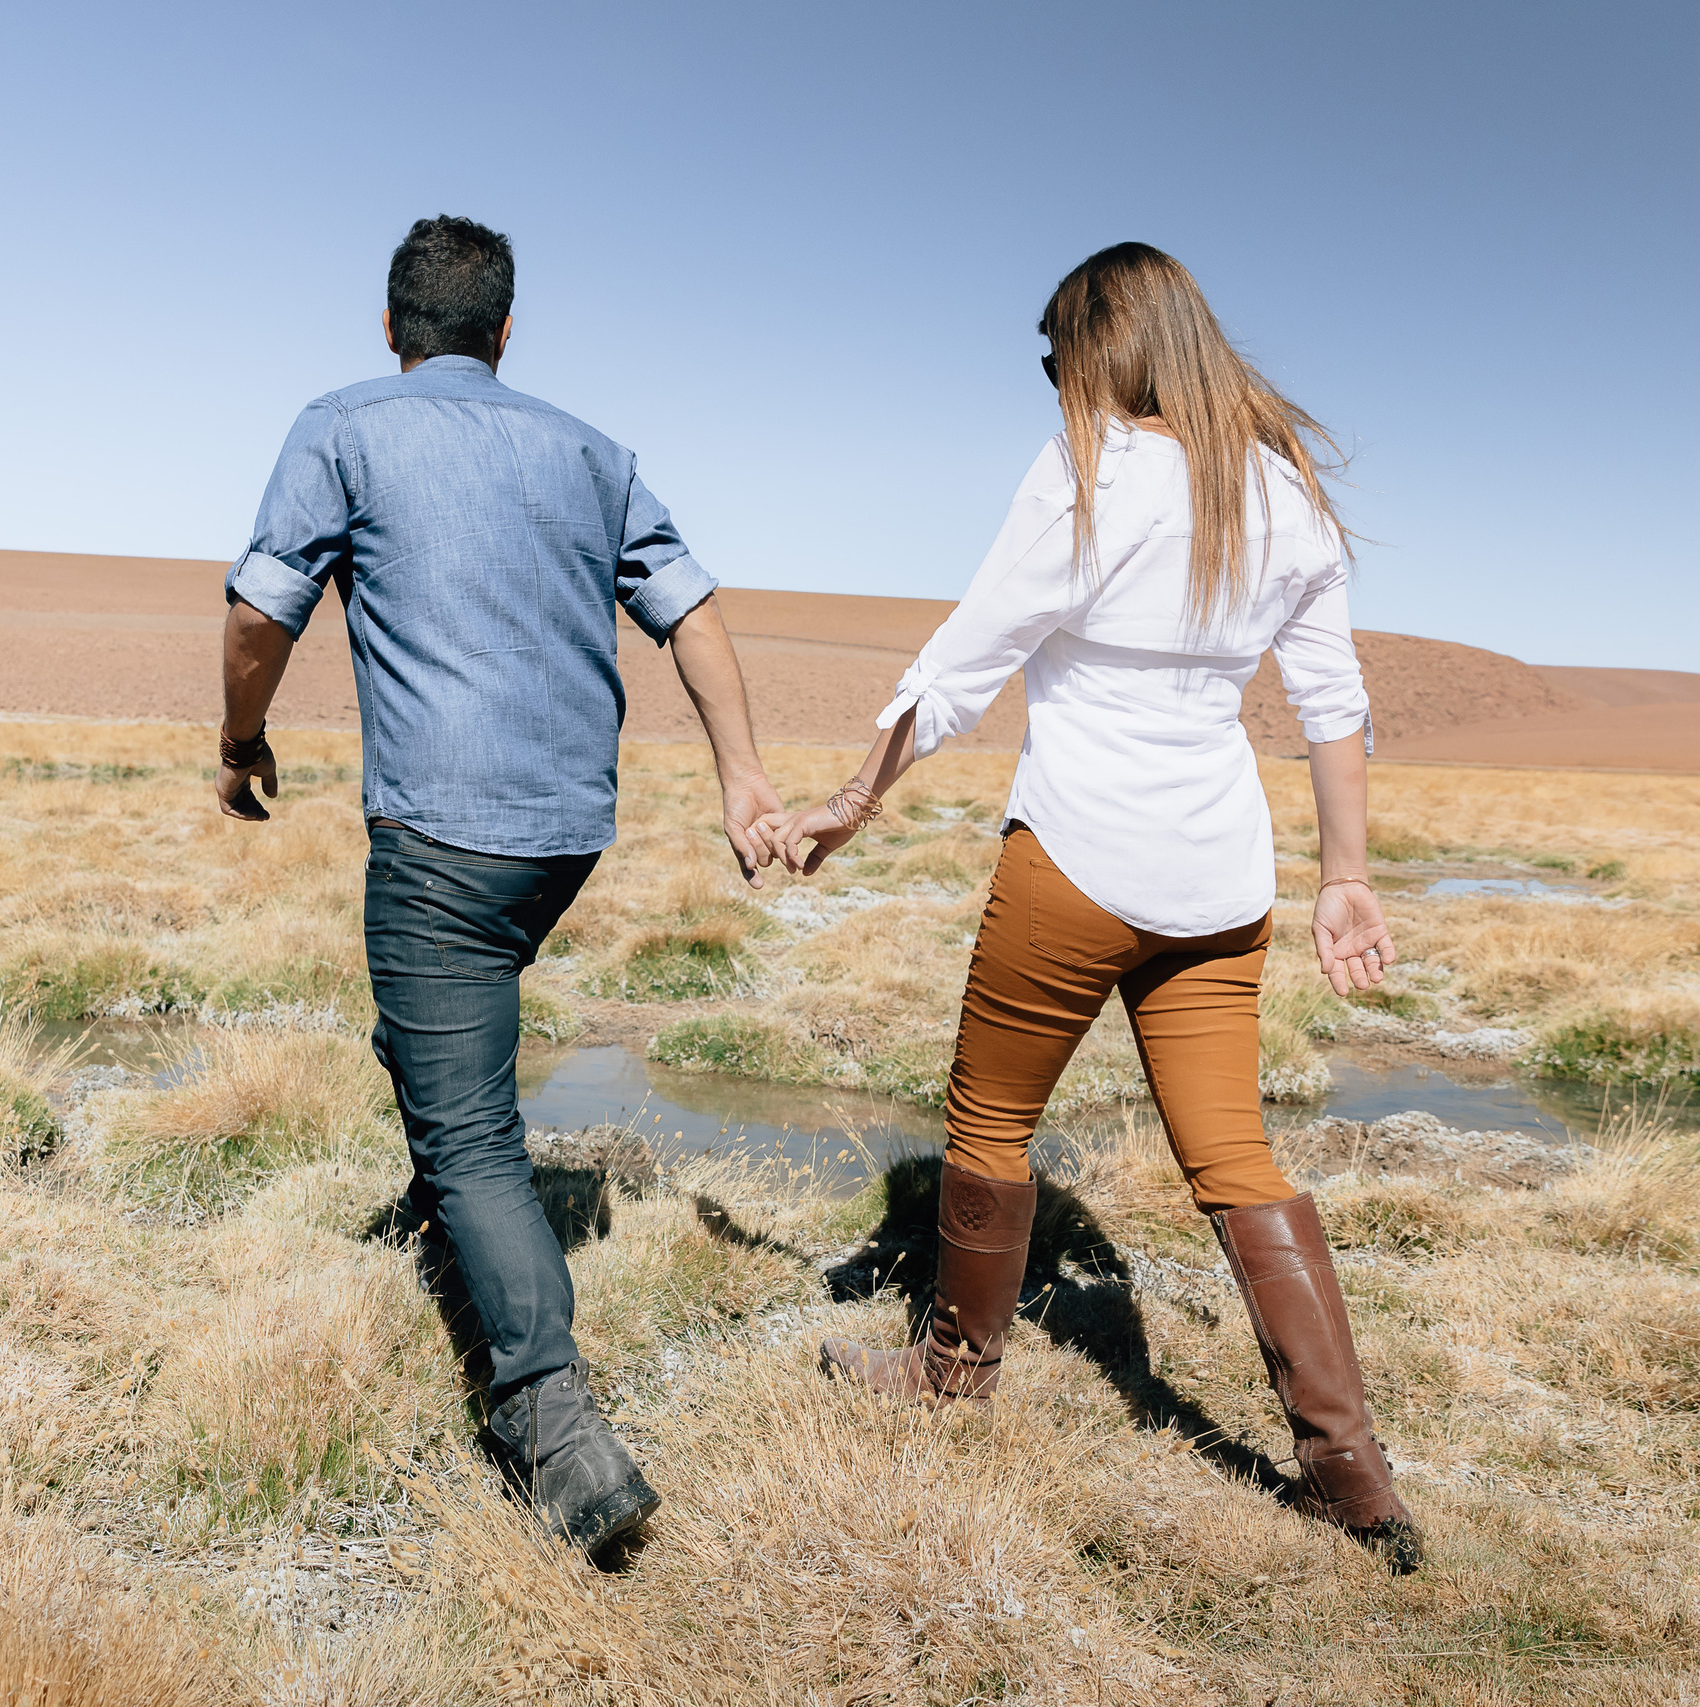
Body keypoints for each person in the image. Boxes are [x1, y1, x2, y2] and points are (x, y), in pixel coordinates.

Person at [760, 242, 1422, 1572]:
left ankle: (951, 1374)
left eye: (1056, 353)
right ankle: (1352, 1475)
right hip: (1221, 879)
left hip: (1073, 856)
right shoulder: (1281, 490)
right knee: (1236, 1160)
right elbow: (1332, 707)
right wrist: (1346, 876)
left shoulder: (1087, 471)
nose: (1053, 379)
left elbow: (964, 663)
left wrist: (851, 801)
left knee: (992, 1120)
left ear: (1098, 348)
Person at [218, 214, 782, 1555]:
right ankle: (455, 1227)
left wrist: (240, 741)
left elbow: (256, 613)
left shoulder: (344, 427)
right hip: (564, 837)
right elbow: (693, 610)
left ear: (390, 327)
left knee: (469, 1131)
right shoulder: (591, 452)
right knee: (431, 1036)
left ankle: (553, 1423)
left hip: (444, 838)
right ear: (506, 331)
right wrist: (744, 777)